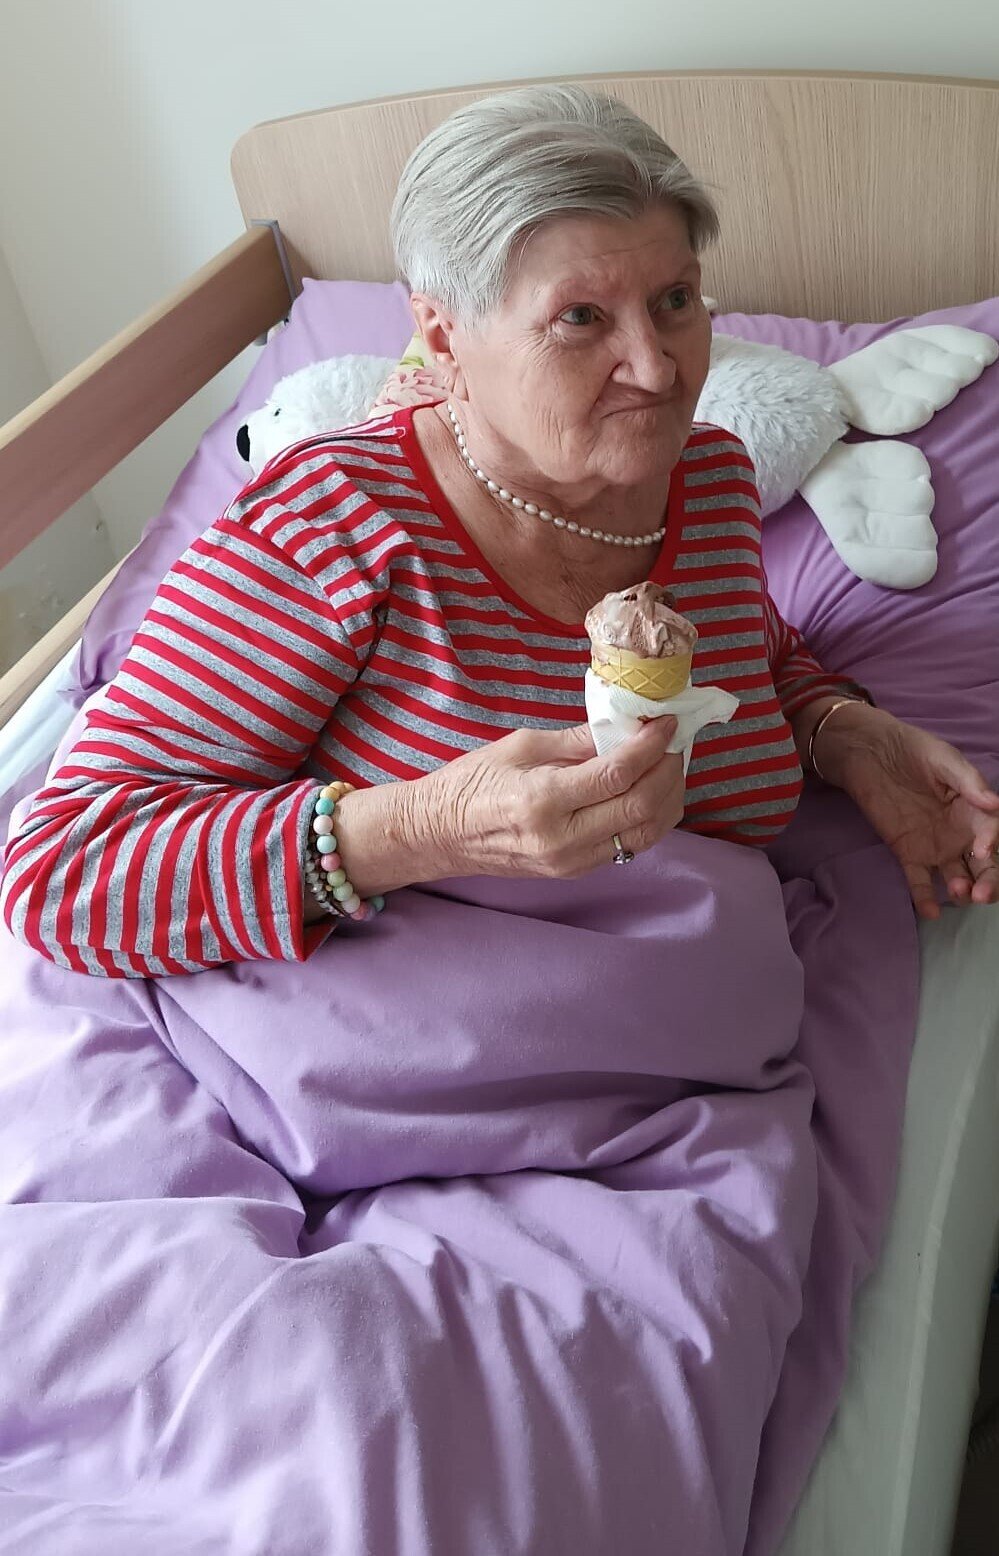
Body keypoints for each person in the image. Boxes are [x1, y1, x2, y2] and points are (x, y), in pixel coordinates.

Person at [2, 84, 997, 979]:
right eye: (580, 319)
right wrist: (420, 829)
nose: (656, 369)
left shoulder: (708, 475)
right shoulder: (332, 524)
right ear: (442, 337)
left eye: (674, 301)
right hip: (416, 1069)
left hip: (700, 1046)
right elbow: (57, 872)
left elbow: (747, 644)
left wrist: (843, 732)